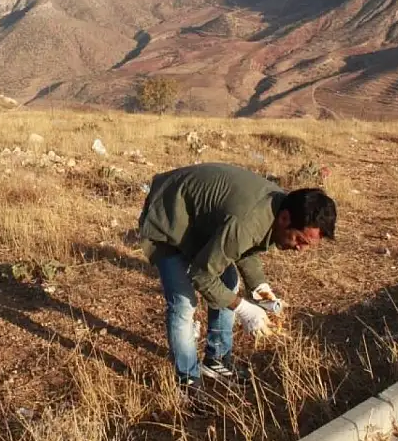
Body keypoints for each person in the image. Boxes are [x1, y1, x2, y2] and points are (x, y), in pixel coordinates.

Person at [138, 163, 337, 408]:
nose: (300, 249)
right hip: (167, 215)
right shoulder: (249, 220)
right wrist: (244, 308)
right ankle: (187, 382)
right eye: (300, 240)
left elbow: (242, 247)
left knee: (228, 280)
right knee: (183, 304)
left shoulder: (280, 208)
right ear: (285, 219)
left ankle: (217, 360)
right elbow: (202, 274)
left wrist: (259, 289)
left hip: (198, 221)